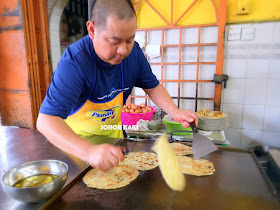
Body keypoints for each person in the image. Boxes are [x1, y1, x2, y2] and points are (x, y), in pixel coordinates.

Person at [37, 0, 198, 172]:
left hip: (114, 143)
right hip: (77, 150)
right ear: (92, 30)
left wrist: (175, 111)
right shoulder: (75, 62)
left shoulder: (134, 53)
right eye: (114, 41)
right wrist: (89, 151)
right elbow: (46, 121)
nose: (123, 50)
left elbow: (152, 87)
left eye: (129, 40)